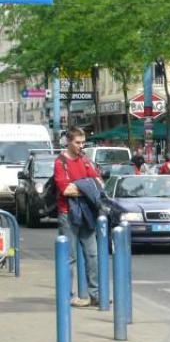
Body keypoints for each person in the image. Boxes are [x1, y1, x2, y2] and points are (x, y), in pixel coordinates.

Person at [54, 127, 103, 308]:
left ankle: (95, 294)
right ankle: (67, 296)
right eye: (77, 142)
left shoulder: (85, 160)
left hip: (86, 213)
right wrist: (86, 187)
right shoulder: (60, 162)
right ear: (68, 141)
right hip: (67, 213)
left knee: (93, 254)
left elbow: (98, 184)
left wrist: (79, 187)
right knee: (69, 257)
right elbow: (65, 190)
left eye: (83, 142)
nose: (81, 146)